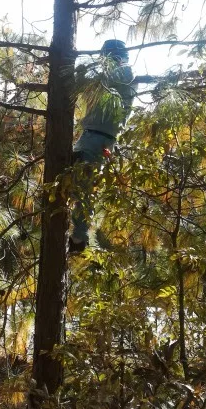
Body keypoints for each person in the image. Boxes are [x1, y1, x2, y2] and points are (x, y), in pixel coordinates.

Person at [69, 39, 137, 253]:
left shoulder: (126, 72)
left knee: (84, 188)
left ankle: (78, 239)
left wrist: (84, 72)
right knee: (72, 182)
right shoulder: (110, 76)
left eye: (106, 58)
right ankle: (75, 234)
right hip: (90, 134)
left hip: (100, 137)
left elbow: (99, 79)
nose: (104, 62)